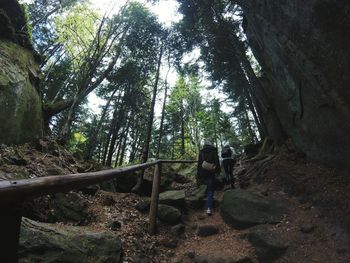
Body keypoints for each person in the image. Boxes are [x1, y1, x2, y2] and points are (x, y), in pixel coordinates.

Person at [197, 141, 221, 215]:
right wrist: (218, 171)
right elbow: (217, 162)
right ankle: (209, 208)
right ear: (210, 144)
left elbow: (199, 164)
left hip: (203, 173)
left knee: (207, 187)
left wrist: (198, 174)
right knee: (210, 189)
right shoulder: (213, 150)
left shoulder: (201, 152)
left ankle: (208, 202)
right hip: (211, 172)